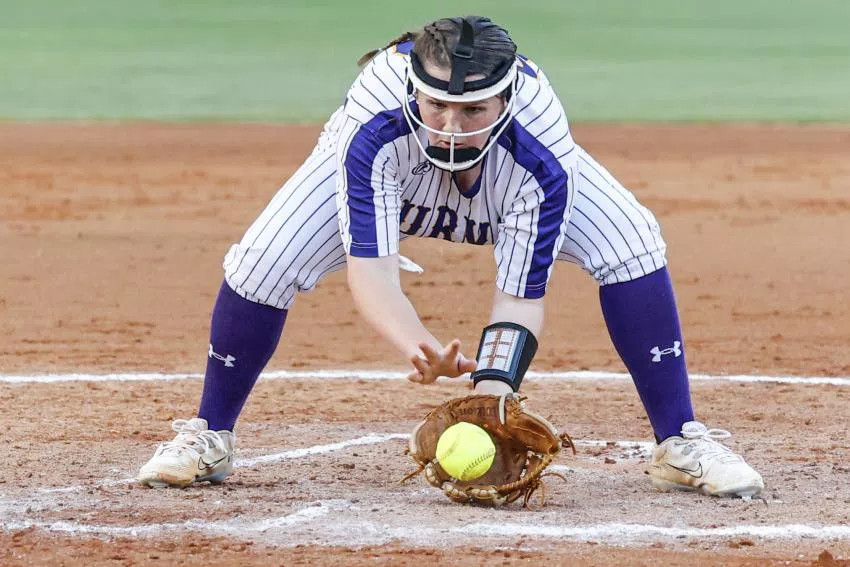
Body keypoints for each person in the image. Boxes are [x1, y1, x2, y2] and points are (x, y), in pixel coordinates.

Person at [138, 16, 764, 498]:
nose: (451, 126)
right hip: (396, 171)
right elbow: (372, 274)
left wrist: (493, 396)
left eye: (473, 110)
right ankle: (209, 435)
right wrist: (420, 346)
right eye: (436, 105)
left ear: (505, 101)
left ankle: (680, 443)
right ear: (416, 91)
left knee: (631, 241)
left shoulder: (541, 150)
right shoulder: (376, 124)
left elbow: (519, 298)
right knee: (263, 262)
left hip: (503, 177)